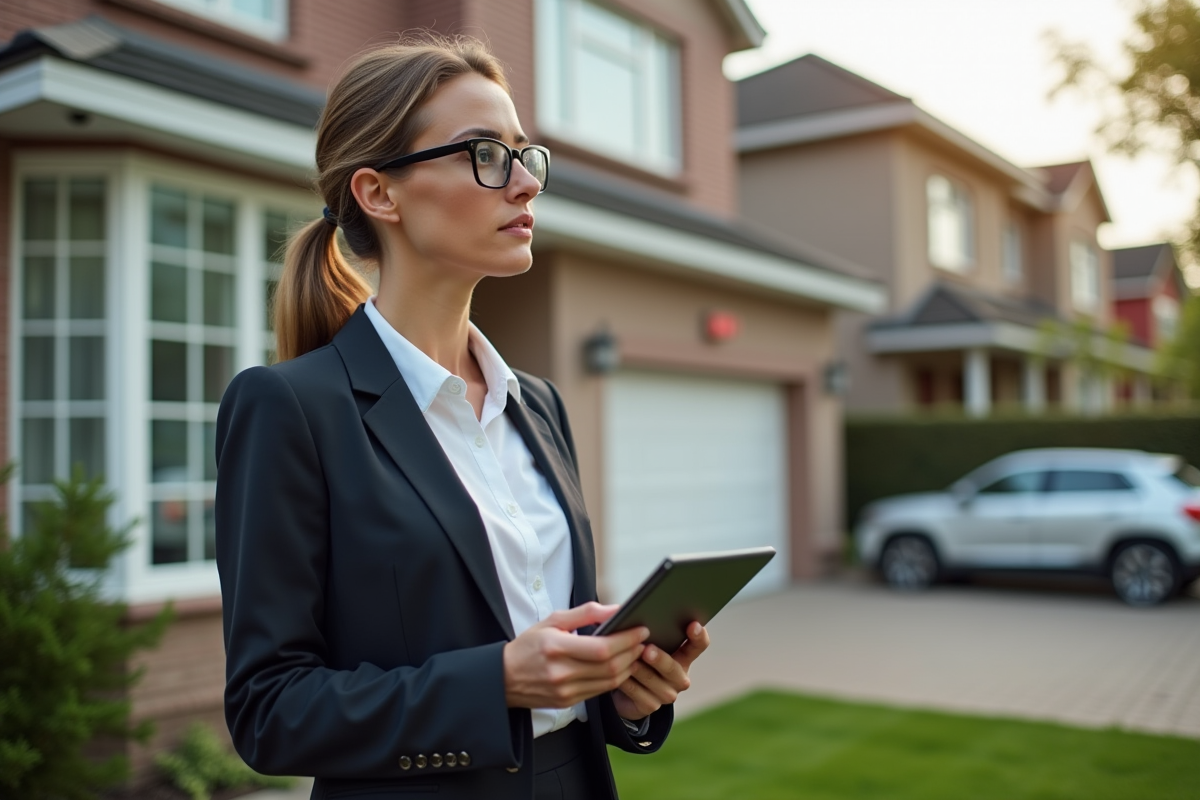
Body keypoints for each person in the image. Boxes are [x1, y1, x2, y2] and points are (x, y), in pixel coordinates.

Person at [213, 34, 710, 800]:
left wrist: (624, 690)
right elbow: (269, 712)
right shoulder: (290, 408)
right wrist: (498, 682)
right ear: (381, 193)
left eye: (524, 154)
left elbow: (558, 667)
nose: (524, 184)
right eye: (485, 154)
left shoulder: (537, 405)